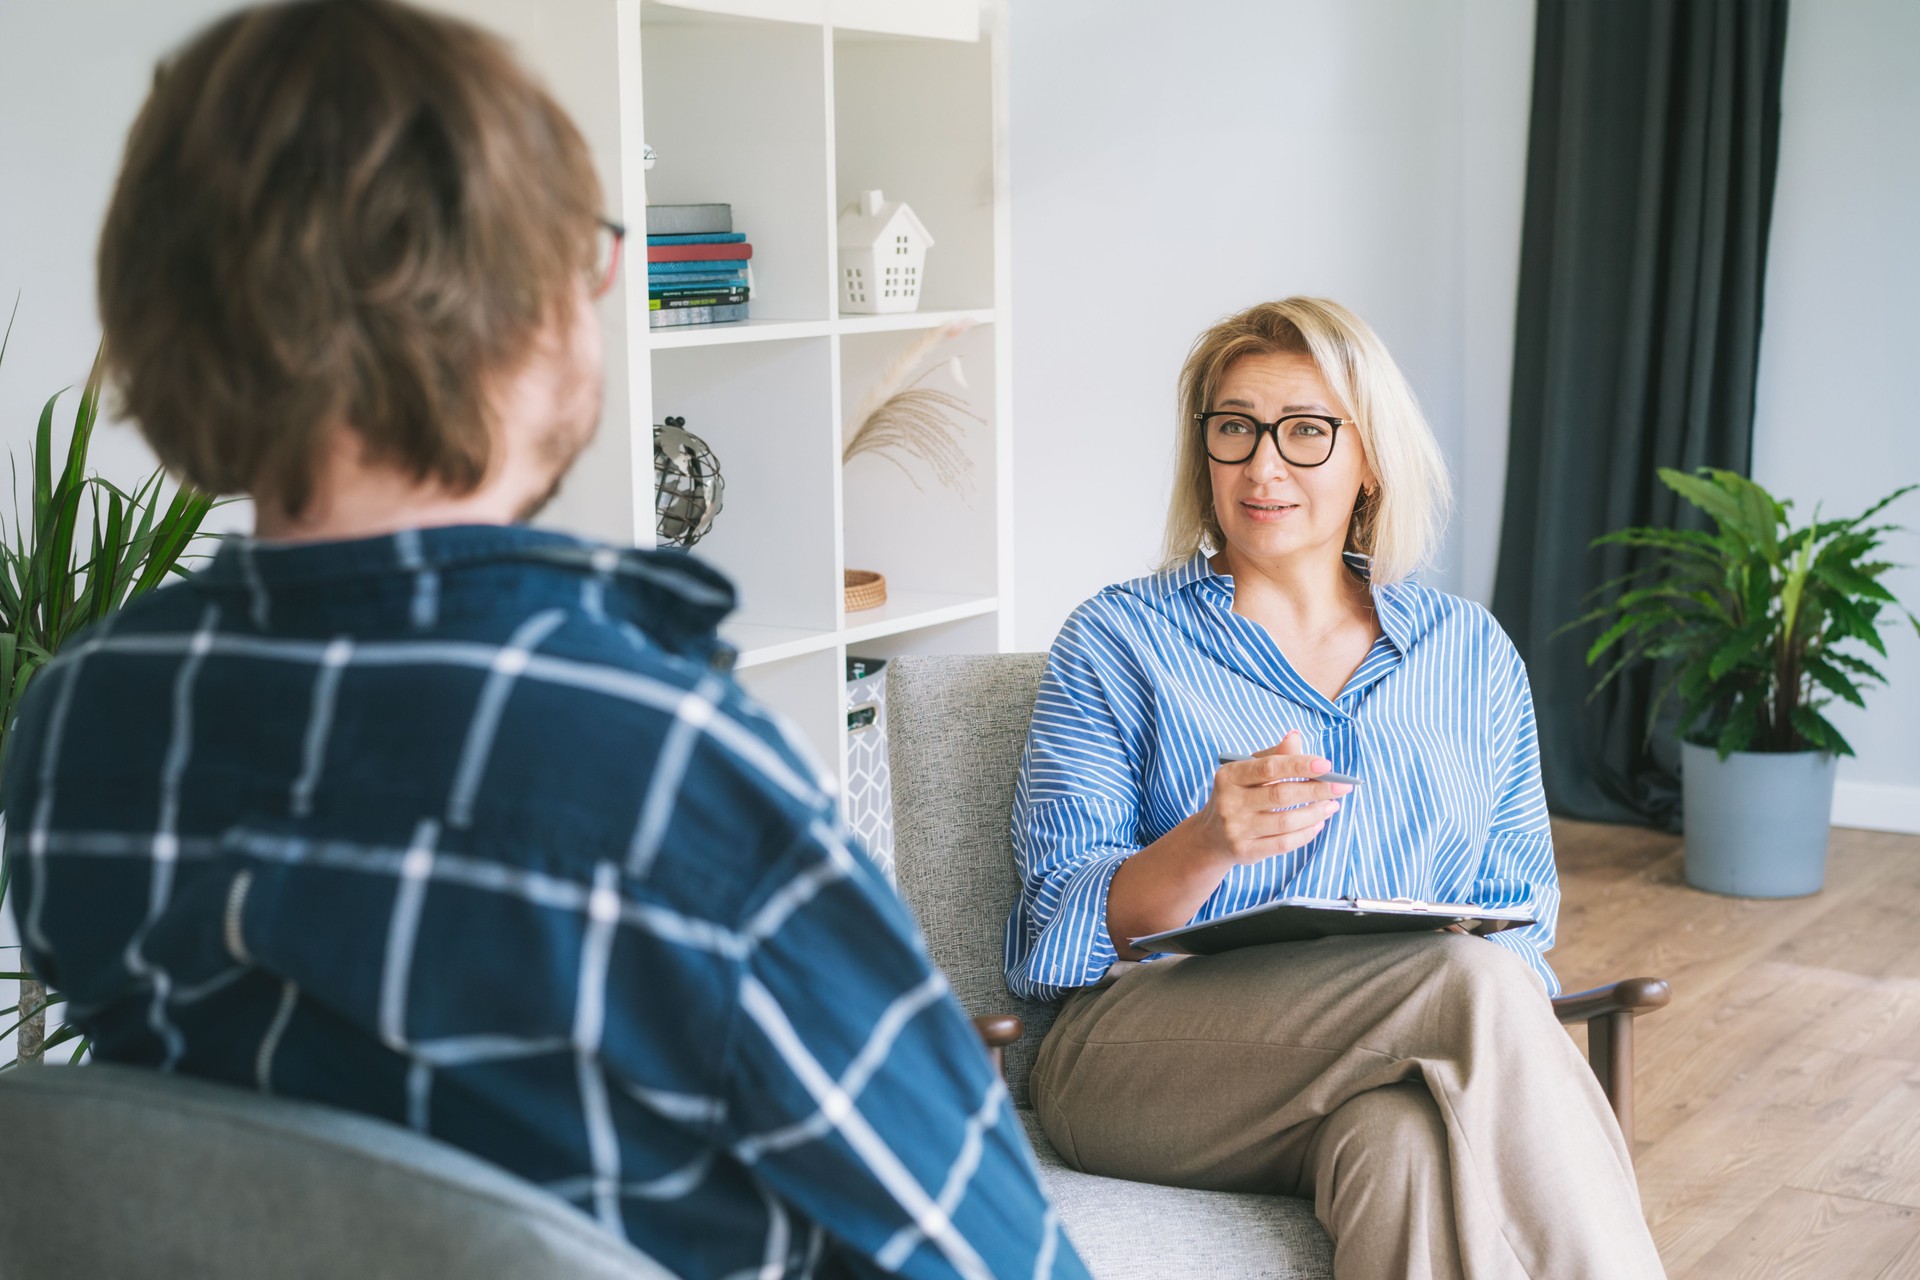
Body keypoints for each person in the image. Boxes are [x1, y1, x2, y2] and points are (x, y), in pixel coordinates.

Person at [0, 4, 1086, 1278]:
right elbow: (999, 1256)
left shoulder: (82, 721)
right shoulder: (658, 761)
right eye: (588, 247)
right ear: (513, 307)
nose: (606, 281)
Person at [1007, 297, 1666, 1279]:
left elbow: (1518, 916)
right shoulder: (1116, 640)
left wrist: (1462, 982)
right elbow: (1052, 931)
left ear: (1371, 459)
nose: (1263, 465)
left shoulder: (1471, 652)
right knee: (1465, 981)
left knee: (1403, 1146)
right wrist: (1206, 841)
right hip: (1137, 1059)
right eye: (1235, 428)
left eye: (1306, 431)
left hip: (1382, 1058)